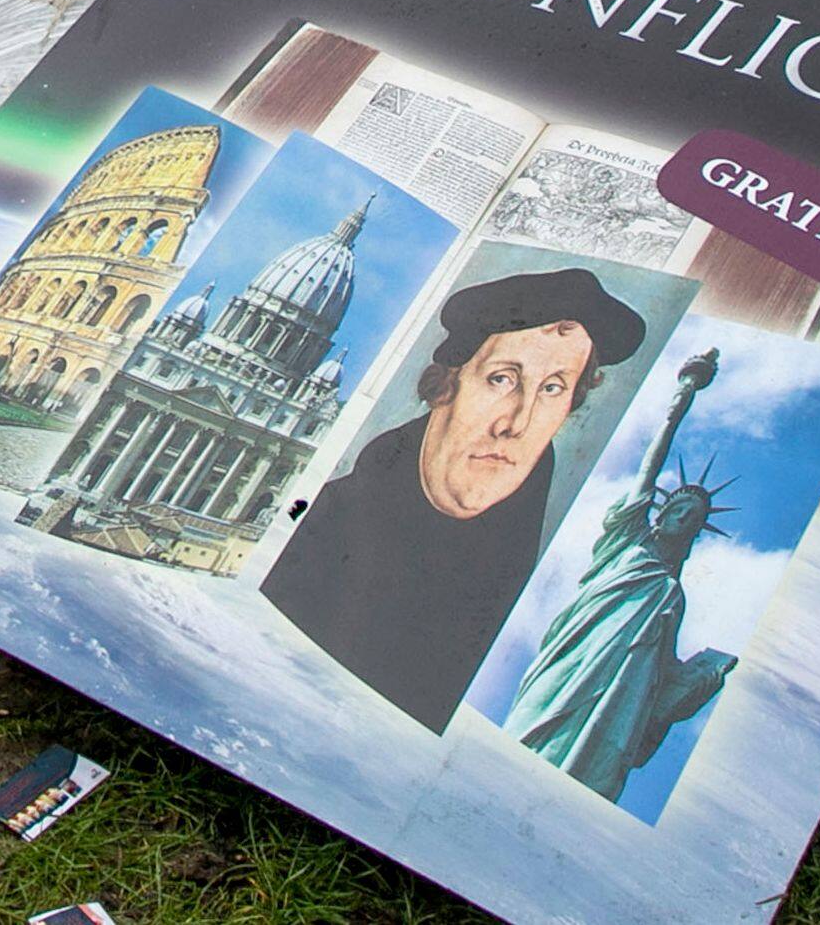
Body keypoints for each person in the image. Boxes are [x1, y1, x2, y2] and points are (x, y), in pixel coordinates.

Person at [258, 266, 647, 733]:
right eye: (502, 379)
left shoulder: (539, 596)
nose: (517, 422)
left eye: (552, 388)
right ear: (447, 384)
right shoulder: (325, 525)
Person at [506, 347, 735, 801]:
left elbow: (662, 672)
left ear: (696, 532)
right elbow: (649, 467)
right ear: (660, 512)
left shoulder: (672, 595)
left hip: (624, 691)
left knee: (593, 767)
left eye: (692, 517)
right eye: (678, 508)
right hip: (575, 656)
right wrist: (682, 397)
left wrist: (701, 676)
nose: (682, 517)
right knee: (528, 731)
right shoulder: (630, 541)